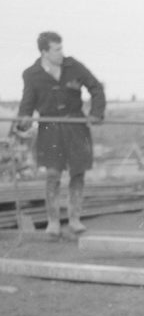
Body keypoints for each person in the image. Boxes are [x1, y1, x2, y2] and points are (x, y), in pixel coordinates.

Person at [16, 31, 105, 238]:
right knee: (53, 175)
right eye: (57, 50)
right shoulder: (32, 74)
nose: (61, 53)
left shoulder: (73, 66)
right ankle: (53, 222)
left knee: (78, 173)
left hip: (75, 124)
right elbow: (27, 102)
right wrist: (24, 118)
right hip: (50, 127)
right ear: (44, 52)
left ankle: (75, 220)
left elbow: (96, 88)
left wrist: (96, 113)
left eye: (61, 48)